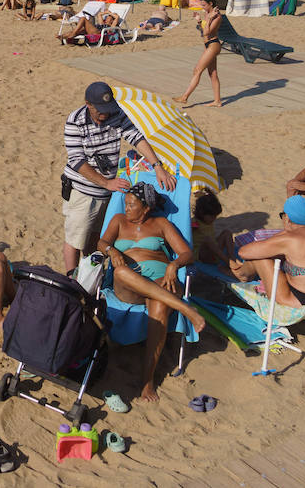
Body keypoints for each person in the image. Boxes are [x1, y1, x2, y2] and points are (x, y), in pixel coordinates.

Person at [61, 81, 178, 273]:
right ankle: (71, 279)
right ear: (88, 104)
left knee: (96, 239)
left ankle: (90, 275)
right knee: (76, 238)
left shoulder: (116, 112)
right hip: (84, 191)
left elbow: (136, 137)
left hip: (109, 192)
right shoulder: (75, 120)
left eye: (107, 110)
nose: (105, 115)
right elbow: (77, 161)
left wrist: (158, 166)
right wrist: (106, 182)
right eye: (100, 111)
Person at [95, 182, 194, 401]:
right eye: (126, 204)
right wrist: (111, 251)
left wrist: (173, 265)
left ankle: (147, 380)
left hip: (160, 281)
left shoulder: (161, 224)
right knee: (120, 273)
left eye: (131, 205)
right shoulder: (119, 221)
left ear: (146, 208)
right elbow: (101, 242)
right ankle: (183, 307)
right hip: (129, 286)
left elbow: (186, 253)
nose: (127, 208)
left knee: (158, 305)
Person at [237, 196, 305, 307]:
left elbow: (243, 252)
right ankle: (242, 272)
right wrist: (284, 233)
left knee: (260, 258)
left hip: (300, 300)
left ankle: (241, 275)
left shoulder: (290, 240)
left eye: (282, 215)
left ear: (287, 217)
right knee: (272, 253)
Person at [175, 0, 223, 107]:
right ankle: (217, 101)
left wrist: (210, 18)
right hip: (208, 45)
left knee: (197, 70)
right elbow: (203, 31)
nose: (203, 7)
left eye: (204, 5)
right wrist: (199, 21)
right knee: (213, 74)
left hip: (213, 45)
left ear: (211, 3)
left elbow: (207, 32)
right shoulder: (208, 14)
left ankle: (184, 97)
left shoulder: (217, 16)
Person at [191, 191, 248, 281]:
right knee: (208, 240)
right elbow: (186, 230)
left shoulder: (209, 221)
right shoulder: (195, 223)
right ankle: (228, 262)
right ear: (202, 214)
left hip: (214, 252)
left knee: (227, 232)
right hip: (202, 256)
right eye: (212, 216)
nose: (214, 219)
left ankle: (232, 259)